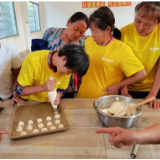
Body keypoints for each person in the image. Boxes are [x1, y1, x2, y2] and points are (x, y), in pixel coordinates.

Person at [77, 6, 146, 98]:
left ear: (108, 29)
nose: (92, 35)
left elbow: (141, 73)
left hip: (105, 101)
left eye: (95, 32)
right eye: (91, 31)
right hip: (83, 96)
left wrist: (118, 86)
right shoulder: (89, 41)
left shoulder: (122, 49)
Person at [14, 44, 89, 106]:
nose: (68, 74)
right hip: (28, 103)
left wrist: (57, 96)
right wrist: (43, 87)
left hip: (48, 104)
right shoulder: (32, 60)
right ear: (63, 59)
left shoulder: (67, 67)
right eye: (69, 71)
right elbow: (19, 90)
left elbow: (62, 89)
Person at [120, 1, 160, 110]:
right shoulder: (123, 33)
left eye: (148, 24)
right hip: (126, 87)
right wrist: (124, 91)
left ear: (157, 23)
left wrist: (153, 94)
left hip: (151, 88)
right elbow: (119, 66)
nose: (140, 27)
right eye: (138, 21)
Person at [41, 12, 88, 98]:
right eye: (76, 29)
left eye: (82, 32)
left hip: (65, 84)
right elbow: (40, 54)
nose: (78, 34)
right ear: (69, 22)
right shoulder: (50, 32)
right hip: (46, 80)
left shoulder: (81, 44)